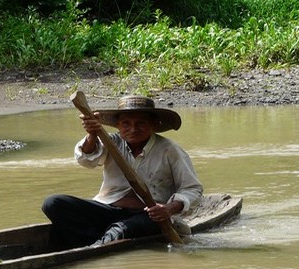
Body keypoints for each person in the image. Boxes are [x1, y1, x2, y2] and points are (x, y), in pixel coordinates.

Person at [41, 95, 202, 246]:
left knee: (122, 230)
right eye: (126, 123)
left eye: (140, 123)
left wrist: (168, 209)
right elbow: (86, 160)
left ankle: (96, 245)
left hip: (149, 216)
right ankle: (96, 240)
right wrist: (92, 136)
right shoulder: (110, 141)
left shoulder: (169, 150)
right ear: (118, 125)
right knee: (53, 203)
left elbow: (193, 189)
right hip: (107, 209)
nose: (133, 129)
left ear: (154, 125)